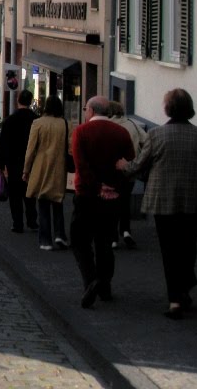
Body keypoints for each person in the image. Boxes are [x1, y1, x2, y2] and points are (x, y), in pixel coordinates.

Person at [116, 88, 197, 320]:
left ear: (167, 109)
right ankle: (184, 288)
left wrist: (124, 165)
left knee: (169, 251)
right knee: (188, 248)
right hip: (193, 202)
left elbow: (139, 166)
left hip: (163, 203)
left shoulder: (157, 135)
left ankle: (175, 299)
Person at [71, 96, 135, 308]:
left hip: (87, 195)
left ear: (90, 110)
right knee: (104, 242)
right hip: (113, 198)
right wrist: (117, 188)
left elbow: (81, 166)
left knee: (81, 241)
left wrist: (97, 187)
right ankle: (105, 285)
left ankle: (91, 281)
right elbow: (129, 163)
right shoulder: (121, 133)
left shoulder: (81, 132)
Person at [22, 94, 69, 251]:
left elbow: (30, 150)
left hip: (41, 167)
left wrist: (26, 170)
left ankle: (45, 240)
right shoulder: (63, 123)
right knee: (57, 202)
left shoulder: (38, 123)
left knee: (42, 203)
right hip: (58, 166)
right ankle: (60, 234)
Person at [0, 89, 38, 233]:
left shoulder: (10, 120)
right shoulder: (36, 120)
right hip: (31, 163)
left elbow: (3, 143)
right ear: (31, 101)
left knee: (15, 196)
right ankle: (32, 221)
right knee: (30, 194)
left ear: (17, 101)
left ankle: (17, 223)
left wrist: (1, 164)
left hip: (13, 164)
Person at [107, 100, 149, 248]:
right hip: (130, 170)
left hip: (112, 171)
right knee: (125, 201)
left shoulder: (108, 126)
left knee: (112, 203)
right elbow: (146, 140)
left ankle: (112, 236)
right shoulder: (132, 123)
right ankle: (125, 231)